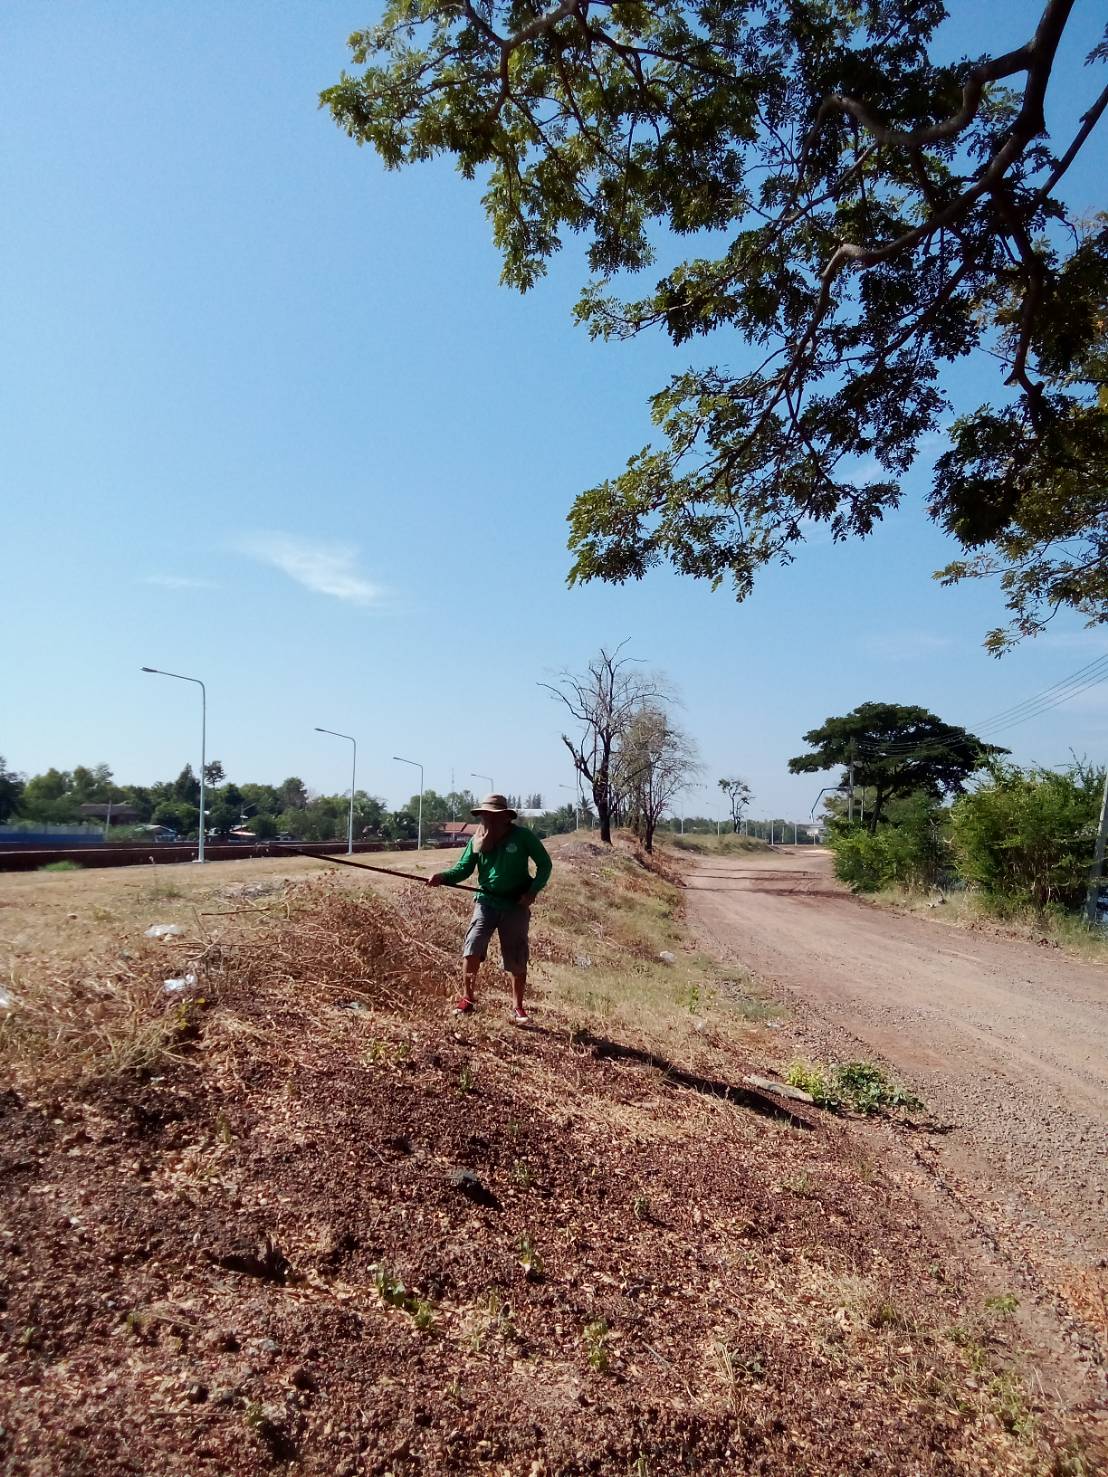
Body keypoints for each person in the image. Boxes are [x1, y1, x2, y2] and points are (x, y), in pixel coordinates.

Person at [429, 794, 552, 1023]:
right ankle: (468, 998)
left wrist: (532, 892)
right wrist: (442, 877)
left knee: (516, 954)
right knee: (473, 945)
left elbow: (545, 865)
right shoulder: (477, 840)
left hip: (515, 905)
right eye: (485, 815)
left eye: (493, 815)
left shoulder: (522, 836)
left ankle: (517, 1007)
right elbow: (463, 870)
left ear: (505, 817)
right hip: (486, 902)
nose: (488, 819)